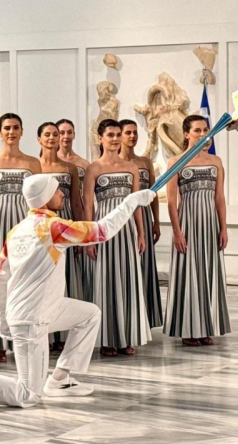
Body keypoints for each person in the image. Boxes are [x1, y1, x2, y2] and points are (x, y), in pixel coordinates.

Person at [0, 174, 157, 411]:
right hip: (31, 318)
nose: (62, 193)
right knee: (28, 395)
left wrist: (4, 319)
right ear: (44, 197)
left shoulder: (16, 231)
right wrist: (132, 201)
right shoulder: (52, 228)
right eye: (56, 191)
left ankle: (60, 378)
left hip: (39, 310)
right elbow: (102, 231)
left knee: (90, 314)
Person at [0, 113, 42, 363]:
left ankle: (25, 340)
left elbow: (39, 201)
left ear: (22, 131)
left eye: (16, 128)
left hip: (24, 230)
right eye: (7, 128)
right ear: (0, 132)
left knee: (24, 283)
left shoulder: (32, 163)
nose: (11, 132)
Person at [85, 119, 151, 357]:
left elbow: (137, 204)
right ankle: (107, 338)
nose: (114, 139)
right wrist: (90, 237)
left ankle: (126, 337)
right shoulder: (93, 168)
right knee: (105, 280)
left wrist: (141, 233)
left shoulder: (131, 167)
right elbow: (88, 205)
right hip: (103, 228)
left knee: (127, 280)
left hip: (126, 230)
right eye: (110, 135)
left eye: (117, 135)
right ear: (100, 138)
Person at [163, 115, 230, 346]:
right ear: (186, 134)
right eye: (197, 130)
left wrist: (223, 228)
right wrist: (177, 231)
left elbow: (219, 197)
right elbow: (171, 202)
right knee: (189, 273)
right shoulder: (176, 162)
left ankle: (205, 326)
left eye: (206, 130)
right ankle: (189, 329)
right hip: (188, 224)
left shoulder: (216, 161)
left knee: (208, 272)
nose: (203, 134)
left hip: (210, 225)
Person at [39, 121, 84, 350]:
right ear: (39, 139)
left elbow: (76, 202)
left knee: (65, 277)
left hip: (65, 225)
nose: (52, 138)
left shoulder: (70, 168)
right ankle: (44, 334)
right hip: (43, 228)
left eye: (55, 134)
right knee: (45, 278)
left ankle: (63, 335)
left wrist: (80, 234)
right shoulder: (34, 166)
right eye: (47, 134)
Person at [118, 119, 163, 328]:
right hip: (123, 218)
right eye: (128, 132)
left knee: (144, 265)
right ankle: (127, 316)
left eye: (135, 132)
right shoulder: (115, 163)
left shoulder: (145, 162)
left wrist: (156, 222)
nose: (132, 136)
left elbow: (153, 194)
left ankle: (145, 317)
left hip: (143, 217)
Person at [56, 119, 93, 302]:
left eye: (69, 132)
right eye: (62, 132)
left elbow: (87, 196)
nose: (66, 136)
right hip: (55, 216)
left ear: (74, 134)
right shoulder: (47, 162)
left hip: (76, 214)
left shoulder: (83, 164)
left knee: (76, 262)